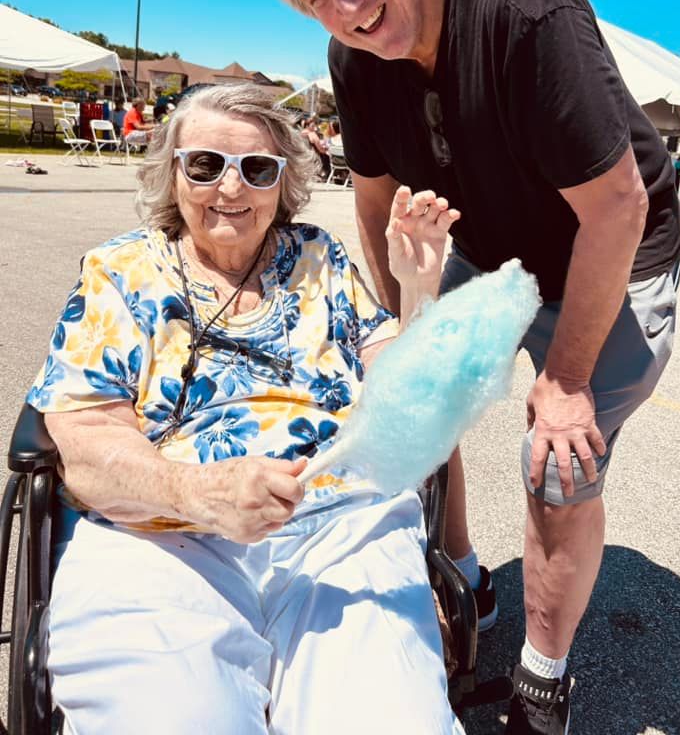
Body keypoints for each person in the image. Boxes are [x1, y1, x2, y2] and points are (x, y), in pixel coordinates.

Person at [263, 0, 680, 733]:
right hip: (492, 251)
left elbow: (618, 205)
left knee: (555, 464)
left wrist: (565, 383)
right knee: (414, 405)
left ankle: (542, 678)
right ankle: (466, 584)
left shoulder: (523, 9)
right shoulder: (356, 58)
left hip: (609, 250)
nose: (343, 7)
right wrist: (396, 333)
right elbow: (374, 197)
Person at [28, 85, 464, 735]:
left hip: (338, 531)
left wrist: (418, 287)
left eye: (257, 169)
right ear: (171, 170)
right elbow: (86, 446)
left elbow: (405, 389)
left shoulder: (319, 259)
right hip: (161, 537)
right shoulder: (119, 273)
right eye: (205, 165)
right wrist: (201, 493)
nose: (232, 187)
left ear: (282, 182)